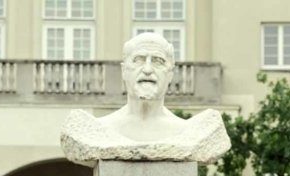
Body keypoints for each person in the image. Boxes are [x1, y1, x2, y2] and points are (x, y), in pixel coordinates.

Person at [60, 32, 230, 165]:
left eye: (158, 61)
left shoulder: (189, 132)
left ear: (170, 74)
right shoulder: (97, 130)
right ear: (124, 70)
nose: (147, 69)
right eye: (139, 60)